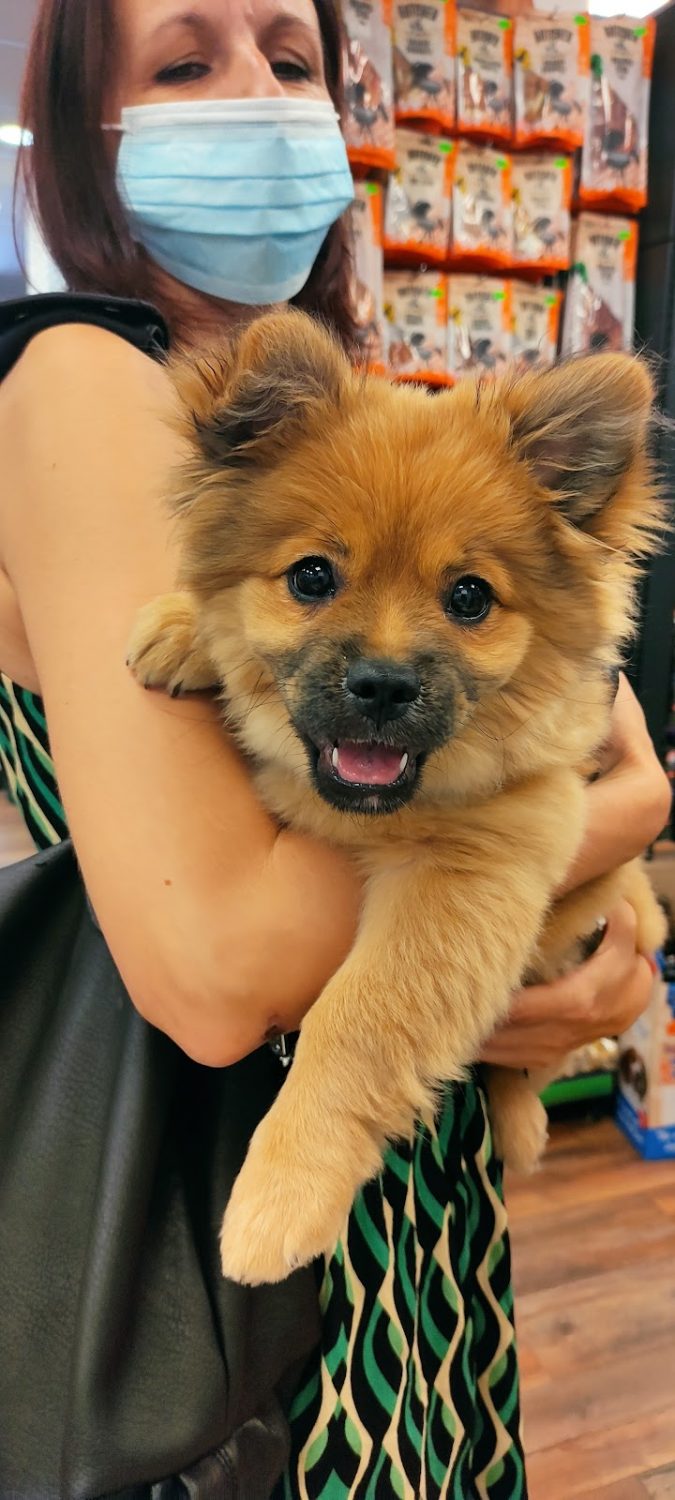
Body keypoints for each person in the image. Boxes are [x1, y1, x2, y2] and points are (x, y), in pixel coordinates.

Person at [0, 1, 669, 1495]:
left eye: (291, 60)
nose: (255, 91)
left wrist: (561, 952)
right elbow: (223, 967)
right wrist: (610, 815)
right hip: (211, 1244)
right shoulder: (86, 379)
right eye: (186, 61)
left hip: (407, 1202)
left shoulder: (363, 412)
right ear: (84, 130)